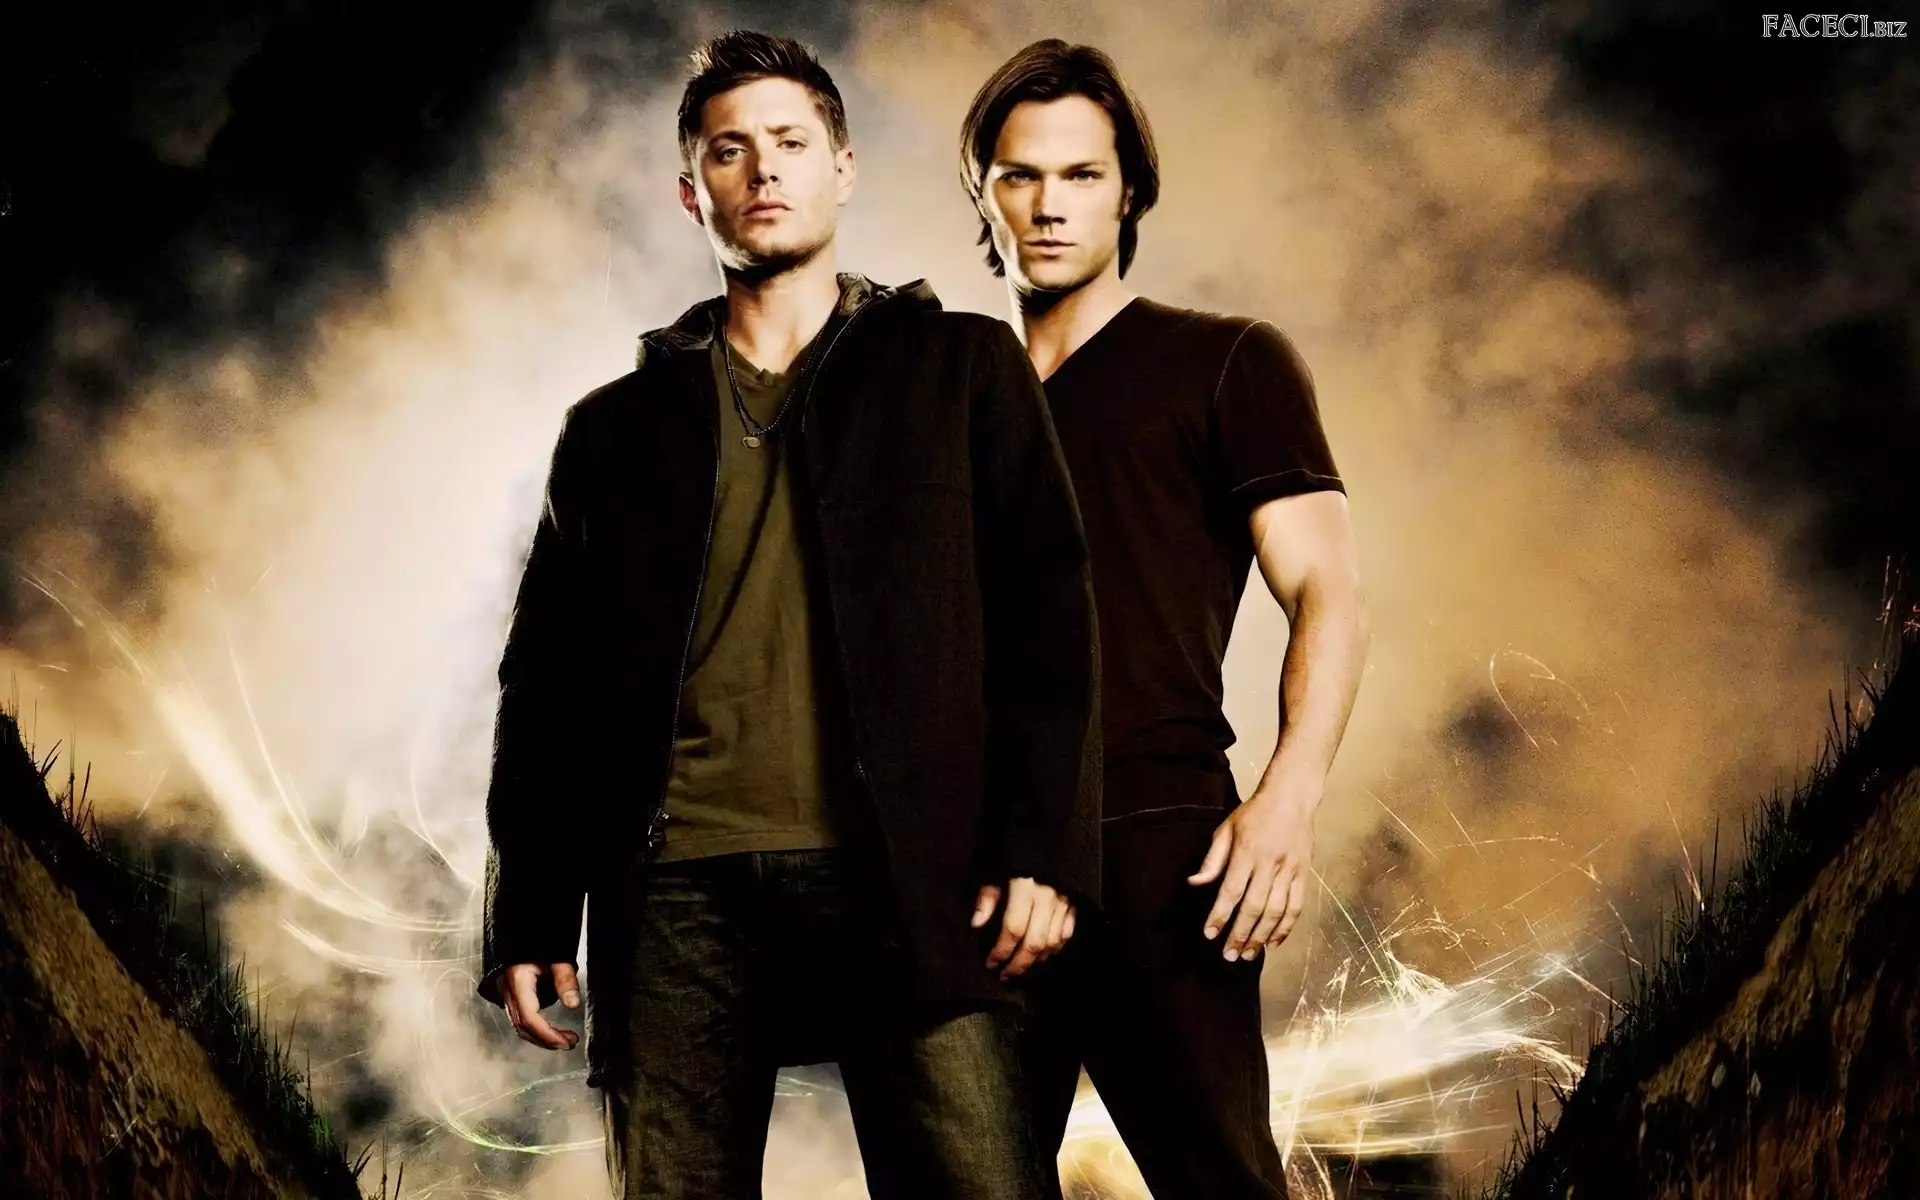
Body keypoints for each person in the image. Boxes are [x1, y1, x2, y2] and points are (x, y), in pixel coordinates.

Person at [477, 30, 1101, 1200]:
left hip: (912, 875)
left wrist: (1039, 851)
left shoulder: (960, 366)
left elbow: (1049, 626)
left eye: (791, 143)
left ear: (842, 169)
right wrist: (531, 911)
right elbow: (546, 688)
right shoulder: (611, 431)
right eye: (729, 150)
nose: (763, 169)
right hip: (676, 894)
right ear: (691, 191)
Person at [959, 39, 1371, 1199]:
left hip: (1158, 841)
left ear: (1129, 191)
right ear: (982, 192)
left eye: (1081, 175)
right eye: (1020, 175)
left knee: (1218, 1182)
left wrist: (1288, 799)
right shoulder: (949, 407)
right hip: (976, 866)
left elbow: (1328, 590)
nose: (1049, 205)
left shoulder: (1224, 361)